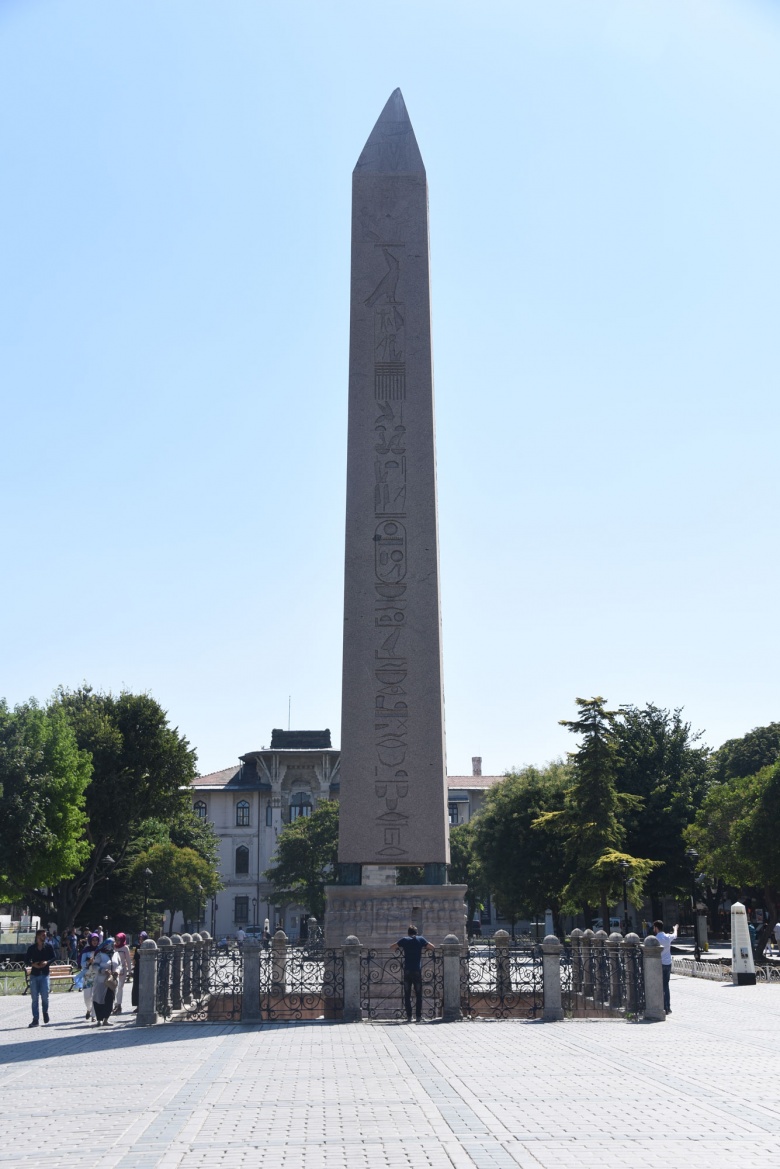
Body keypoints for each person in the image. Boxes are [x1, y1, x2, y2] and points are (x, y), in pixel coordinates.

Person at [393, 925, 434, 1023]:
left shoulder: (404, 940)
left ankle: (409, 1016)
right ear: (416, 932)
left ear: (408, 933)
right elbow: (432, 947)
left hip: (407, 970)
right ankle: (418, 1017)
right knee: (419, 994)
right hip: (417, 970)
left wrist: (401, 945)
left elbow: (392, 946)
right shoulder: (420, 939)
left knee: (407, 994)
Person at [25, 928, 57, 1027]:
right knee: (34, 998)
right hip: (34, 975)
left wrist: (47, 962)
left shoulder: (48, 947)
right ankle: (35, 1019)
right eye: (43, 935)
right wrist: (33, 964)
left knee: (45, 997)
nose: (45, 937)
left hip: (44, 974)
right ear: (38, 937)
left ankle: (45, 1012)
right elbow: (26, 960)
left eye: (45, 935)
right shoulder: (32, 948)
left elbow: (54, 957)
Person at [91, 938, 121, 1025]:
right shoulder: (100, 955)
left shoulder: (116, 954)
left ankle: (106, 1019)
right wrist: (103, 970)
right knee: (99, 999)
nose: (112, 946)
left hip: (111, 982)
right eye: (111, 944)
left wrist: (117, 971)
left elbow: (120, 965)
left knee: (110, 999)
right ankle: (99, 1019)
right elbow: (95, 966)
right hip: (101, 981)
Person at [652, 919, 678, 1014]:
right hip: (668, 963)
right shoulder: (667, 937)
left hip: (659, 964)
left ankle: (661, 1006)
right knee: (666, 985)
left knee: (659, 985)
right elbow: (675, 935)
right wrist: (675, 928)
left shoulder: (655, 939)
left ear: (656, 928)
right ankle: (668, 1007)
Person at [80, 933, 100, 1020]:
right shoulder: (86, 950)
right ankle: (89, 1009)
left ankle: (94, 1015)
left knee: (94, 995)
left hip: (97, 975)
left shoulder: (99, 950)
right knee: (87, 996)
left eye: (96, 940)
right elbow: (82, 963)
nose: (95, 942)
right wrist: (88, 962)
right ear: (90, 941)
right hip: (88, 975)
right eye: (93, 940)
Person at [113, 933, 132, 1014]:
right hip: (114, 970)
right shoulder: (113, 947)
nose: (117, 942)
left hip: (122, 970)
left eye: (119, 940)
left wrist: (130, 970)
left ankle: (119, 1005)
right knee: (114, 987)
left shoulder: (125, 948)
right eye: (116, 940)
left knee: (120, 987)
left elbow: (128, 960)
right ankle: (114, 1004)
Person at [131, 932, 148, 1012]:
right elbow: (134, 958)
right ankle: (138, 1005)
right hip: (137, 969)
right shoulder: (137, 947)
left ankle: (145, 1004)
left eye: (142, 939)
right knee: (137, 987)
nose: (141, 941)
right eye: (140, 939)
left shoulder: (148, 946)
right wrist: (133, 961)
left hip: (146, 969)